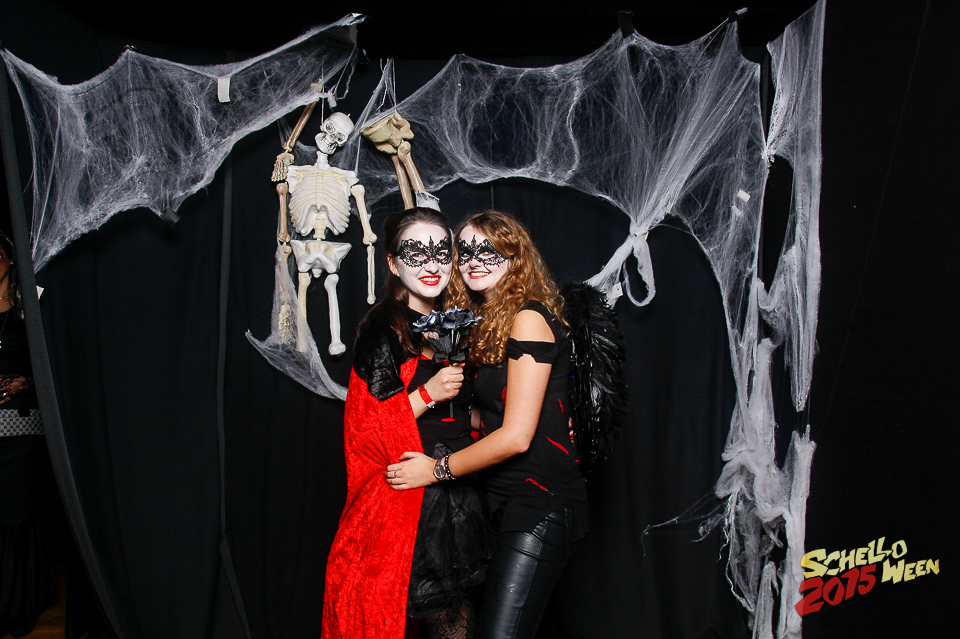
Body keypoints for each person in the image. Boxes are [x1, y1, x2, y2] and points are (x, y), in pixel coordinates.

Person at [387, 210, 587, 639]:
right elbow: (489, 415)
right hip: (498, 502)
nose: (475, 261)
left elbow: (516, 437)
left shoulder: (528, 317)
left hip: (539, 506)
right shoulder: (485, 321)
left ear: (515, 258)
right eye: (466, 252)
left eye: (490, 251)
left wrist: (436, 470)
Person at [322, 207, 490, 639]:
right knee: (421, 613)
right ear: (393, 264)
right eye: (416, 253)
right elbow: (367, 425)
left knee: (455, 614)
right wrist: (429, 393)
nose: (431, 265)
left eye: (441, 252)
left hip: (458, 483)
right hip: (412, 493)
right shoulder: (383, 326)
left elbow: (470, 412)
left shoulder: (458, 319)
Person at [0, 231, 54, 638]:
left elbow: (52, 364)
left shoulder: (28, 309)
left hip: (23, 433)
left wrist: (26, 382)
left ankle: (19, 603)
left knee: (19, 515)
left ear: (9, 260)